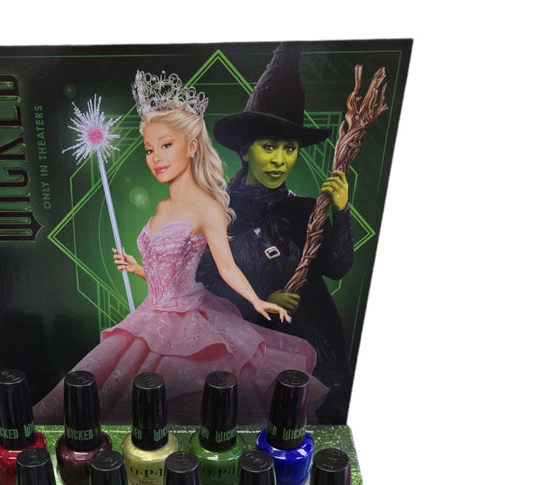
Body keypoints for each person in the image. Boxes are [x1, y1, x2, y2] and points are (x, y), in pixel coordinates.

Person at [33, 70, 327, 426]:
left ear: (191, 145)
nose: (156, 157)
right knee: (105, 397)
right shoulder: (160, 209)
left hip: (189, 321)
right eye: (149, 149)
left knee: (183, 400)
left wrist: (255, 300)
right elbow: (168, 277)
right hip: (147, 317)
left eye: (166, 145)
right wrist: (138, 269)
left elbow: (226, 266)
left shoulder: (207, 208)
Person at [195, 43, 355, 422]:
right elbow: (204, 282)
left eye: (290, 148)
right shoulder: (221, 213)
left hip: (320, 356)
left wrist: (341, 211)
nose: (280, 160)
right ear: (245, 151)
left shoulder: (307, 209)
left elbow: (337, 268)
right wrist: (260, 303)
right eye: (268, 147)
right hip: (251, 360)